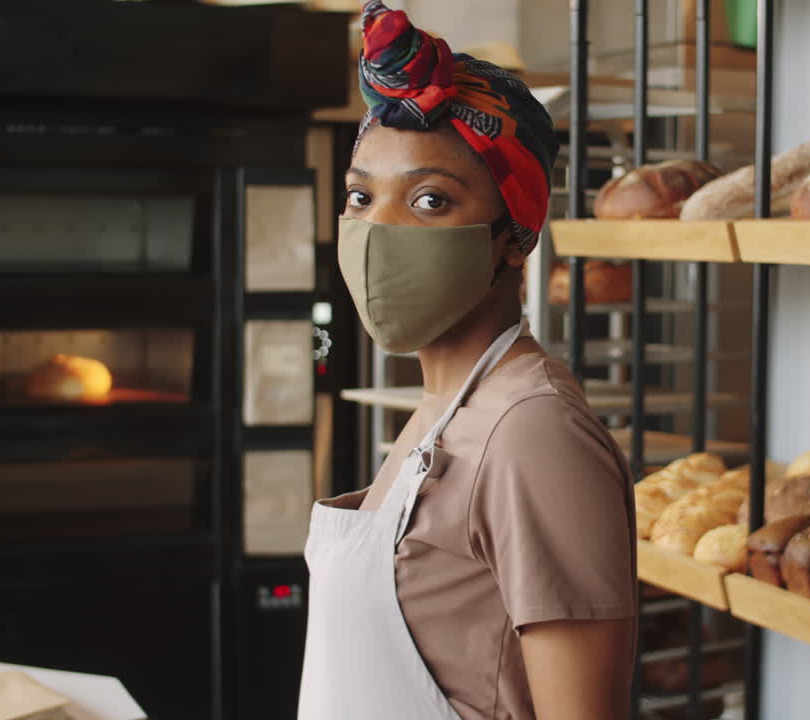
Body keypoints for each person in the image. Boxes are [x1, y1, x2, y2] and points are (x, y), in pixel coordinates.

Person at [298, 3, 638, 719]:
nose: (377, 232)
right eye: (360, 196)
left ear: (514, 235)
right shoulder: (443, 408)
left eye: (429, 200)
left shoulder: (533, 433)